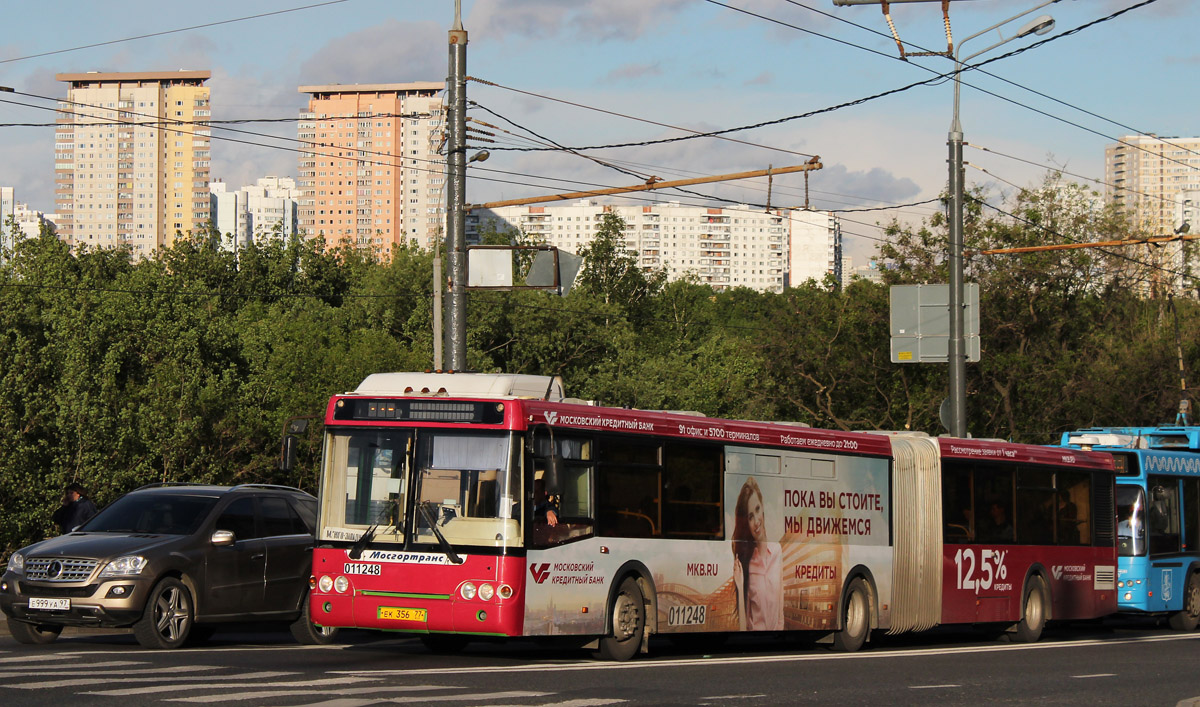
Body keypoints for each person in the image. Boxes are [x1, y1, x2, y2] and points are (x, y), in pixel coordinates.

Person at [731, 477, 783, 630]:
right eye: (750, 517)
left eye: (757, 509)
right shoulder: (746, 562)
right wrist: (740, 587)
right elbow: (743, 627)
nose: (756, 521)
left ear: (763, 507)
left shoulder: (777, 551)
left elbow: (780, 614)